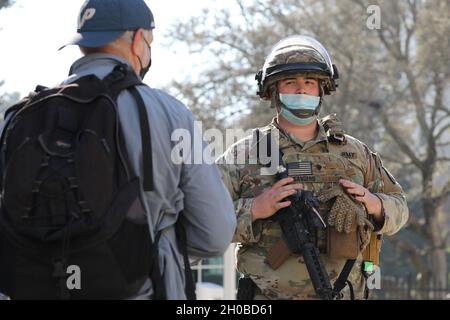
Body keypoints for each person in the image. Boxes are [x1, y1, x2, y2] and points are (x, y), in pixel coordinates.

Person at [0, 0, 236, 299]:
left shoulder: (19, 116)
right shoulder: (171, 115)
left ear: (83, 44)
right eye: (150, 42)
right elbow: (214, 233)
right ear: (139, 40)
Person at [216, 35, 409, 300]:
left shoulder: (355, 153)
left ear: (322, 90)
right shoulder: (244, 154)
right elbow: (204, 222)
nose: (301, 90)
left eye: (309, 83)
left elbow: (400, 206)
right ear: (274, 90)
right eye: (290, 82)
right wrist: (255, 209)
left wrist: (374, 204)